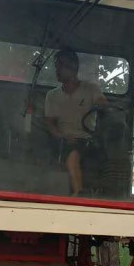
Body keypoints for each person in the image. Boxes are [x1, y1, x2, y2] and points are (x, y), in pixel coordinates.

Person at [45, 49, 106, 195]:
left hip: (88, 140)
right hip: (62, 141)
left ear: (74, 67)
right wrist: (60, 136)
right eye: (56, 66)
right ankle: (79, 193)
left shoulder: (91, 89)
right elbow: (50, 124)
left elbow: (103, 105)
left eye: (61, 65)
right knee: (72, 154)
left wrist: (101, 105)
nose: (57, 70)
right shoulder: (52, 95)